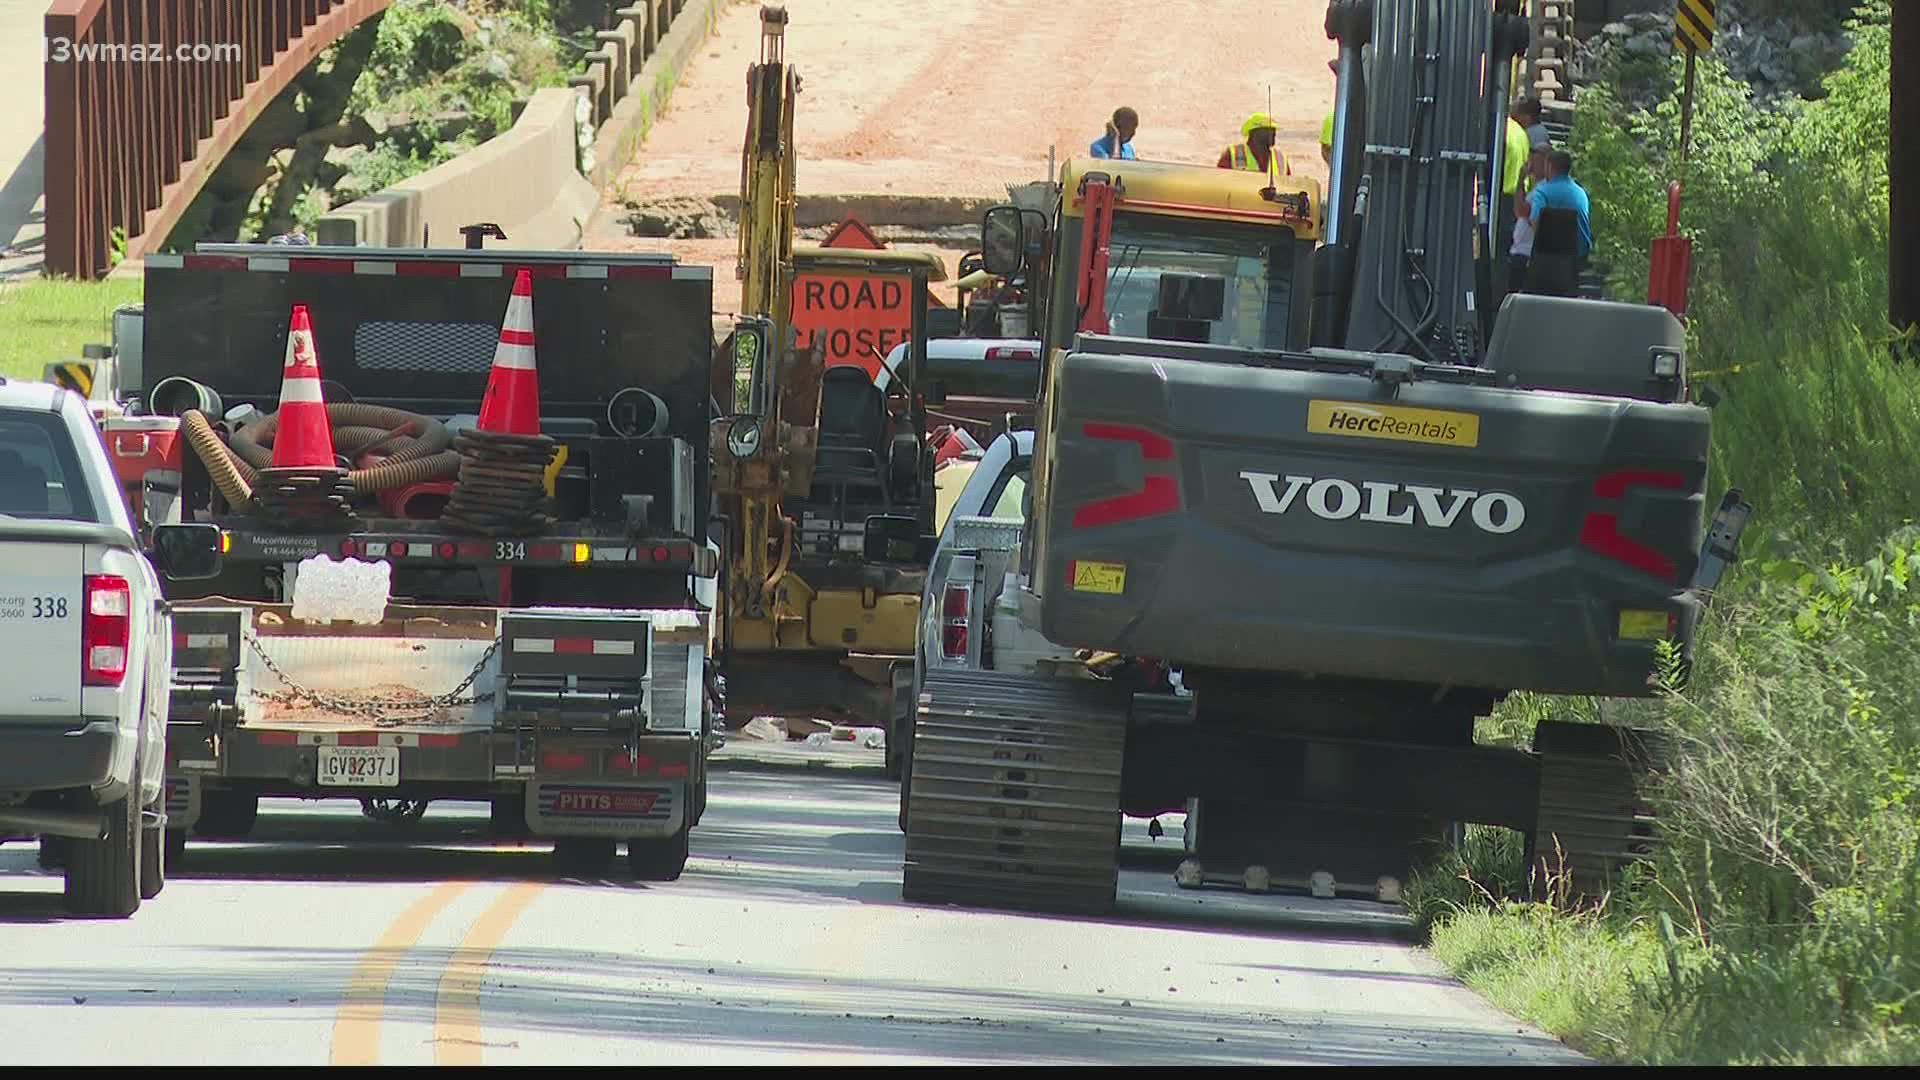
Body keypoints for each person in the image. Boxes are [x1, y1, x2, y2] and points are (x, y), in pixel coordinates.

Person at [1517, 149, 1592, 296]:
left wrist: (1521, 181)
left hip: (1549, 258)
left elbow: (1535, 223)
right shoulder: (1580, 193)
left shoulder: (1543, 191)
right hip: (1577, 257)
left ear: (1549, 167)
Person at [1219, 113, 1289, 181]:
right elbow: (1219, 184)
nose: (1273, 133)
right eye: (1267, 129)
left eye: (1274, 129)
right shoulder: (1233, 154)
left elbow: (1289, 186)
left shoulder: (1280, 158)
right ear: (1254, 133)